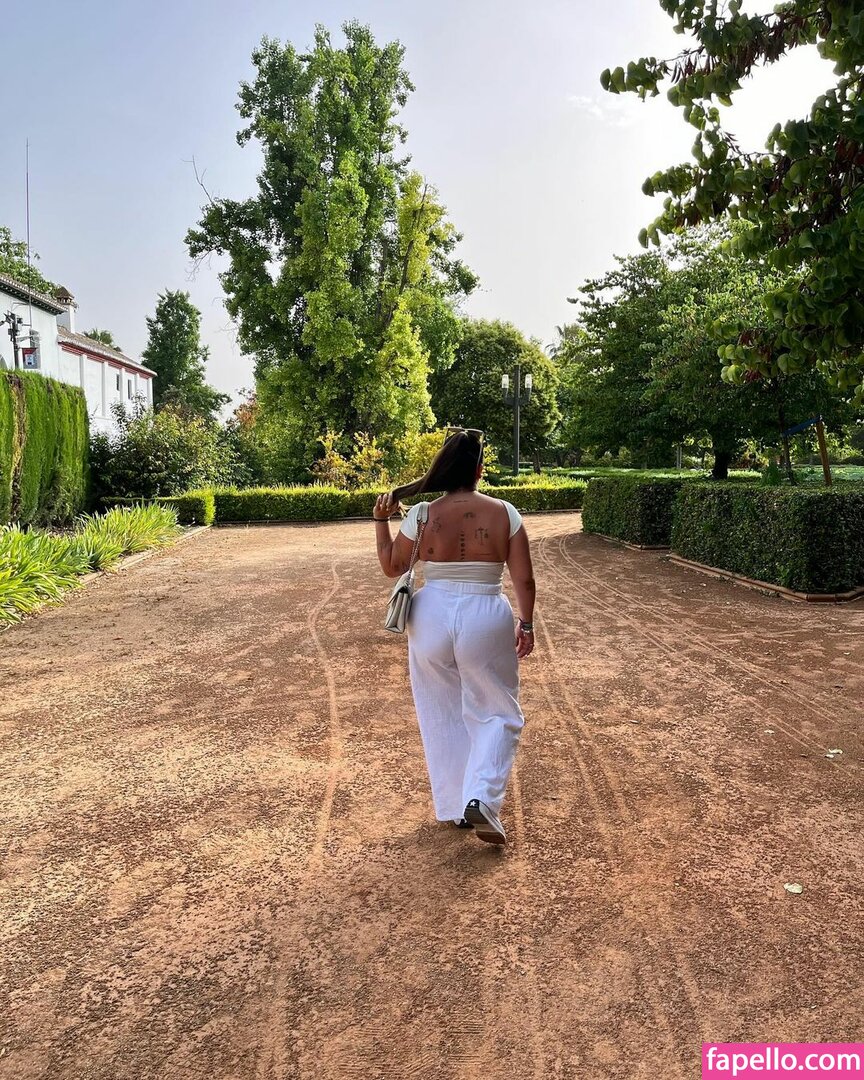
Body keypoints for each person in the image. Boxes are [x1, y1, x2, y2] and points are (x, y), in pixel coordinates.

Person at [372, 429, 535, 845]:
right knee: (498, 712)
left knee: (441, 710)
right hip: (485, 612)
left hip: (431, 615)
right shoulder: (505, 513)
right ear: (480, 470)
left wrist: (380, 521)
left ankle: (455, 806)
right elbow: (524, 579)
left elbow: (392, 566)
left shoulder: (422, 513)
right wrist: (527, 623)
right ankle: (481, 798)